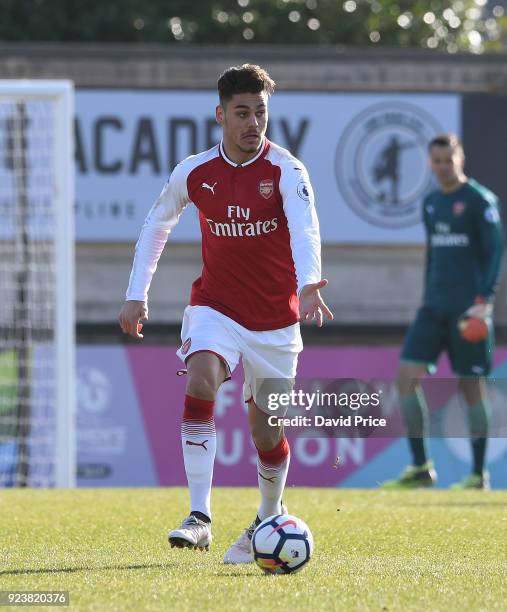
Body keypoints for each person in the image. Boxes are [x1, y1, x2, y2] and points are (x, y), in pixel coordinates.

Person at [118, 64, 333, 561]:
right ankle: (199, 516)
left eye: (260, 112)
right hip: (215, 308)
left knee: (266, 431)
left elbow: (305, 229)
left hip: (277, 323)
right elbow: (156, 225)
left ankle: (267, 514)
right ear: (220, 116)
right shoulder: (194, 172)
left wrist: (308, 283)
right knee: (200, 379)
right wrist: (136, 293)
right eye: (242, 113)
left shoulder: (286, 170)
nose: (252, 123)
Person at [382, 133, 503, 490]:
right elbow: (433, 254)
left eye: (448, 160)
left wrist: (484, 302)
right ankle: (420, 468)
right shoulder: (432, 203)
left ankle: (478, 474)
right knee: (405, 377)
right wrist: (428, 293)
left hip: (470, 310)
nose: (442, 167)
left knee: (471, 389)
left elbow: (495, 253)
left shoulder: (481, 201)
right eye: (436, 161)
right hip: (433, 307)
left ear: (460, 158)